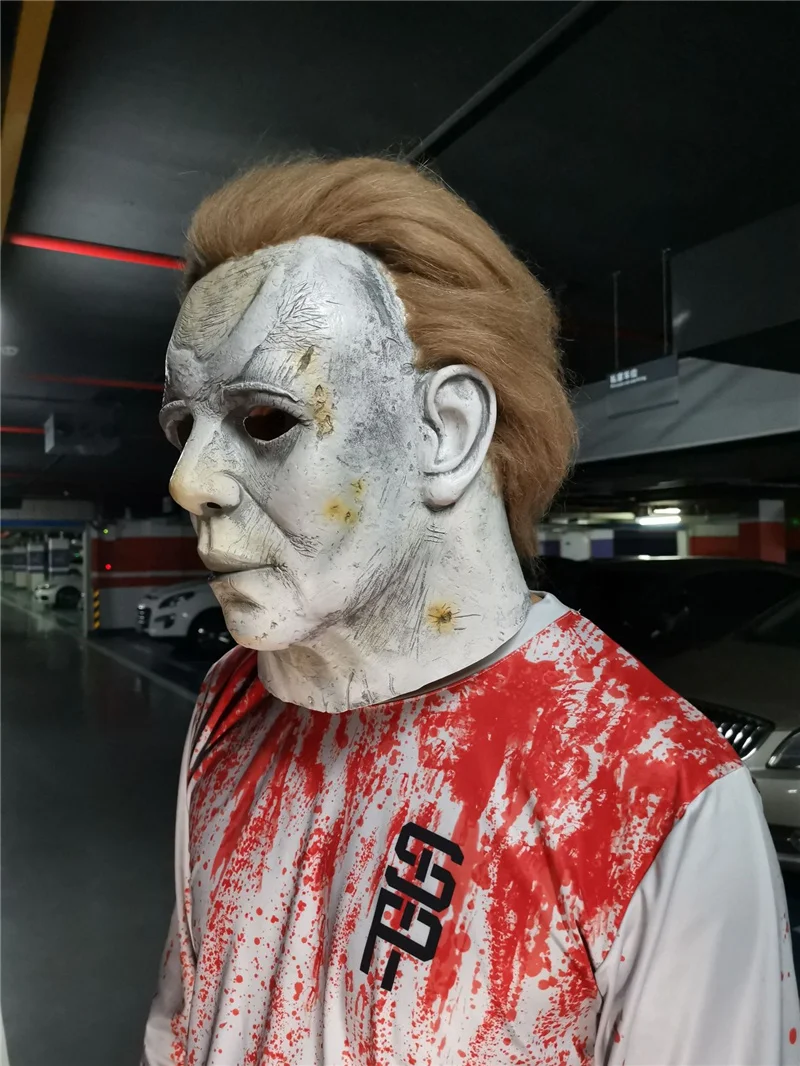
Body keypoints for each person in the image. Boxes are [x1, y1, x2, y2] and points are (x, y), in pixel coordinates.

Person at [143, 158, 799, 1066]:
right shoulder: (231, 702)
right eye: (184, 427)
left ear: (444, 433)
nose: (188, 481)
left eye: (266, 420)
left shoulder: (652, 794)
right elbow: (182, 1017)